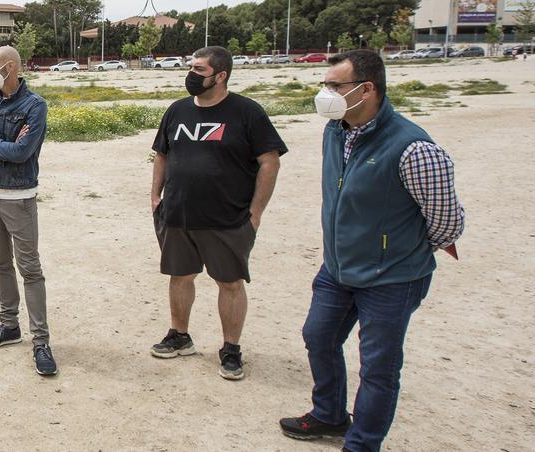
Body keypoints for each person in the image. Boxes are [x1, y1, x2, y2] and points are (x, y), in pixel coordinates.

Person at [279, 50, 464, 451]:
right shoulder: (336, 129)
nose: (326, 92)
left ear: (368, 90)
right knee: (319, 337)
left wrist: (396, 249)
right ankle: (329, 415)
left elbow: (448, 221)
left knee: (379, 367)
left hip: (392, 278)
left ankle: (362, 443)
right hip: (339, 268)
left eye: (335, 86)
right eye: (326, 84)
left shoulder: (414, 148)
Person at [149, 46, 287, 380]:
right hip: (178, 214)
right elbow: (162, 155)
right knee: (180, 277)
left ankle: (230, 349)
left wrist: (255, 213)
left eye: (199, 70)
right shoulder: (177, 111)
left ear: (221, 75)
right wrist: (155, 197)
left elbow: (270, 161)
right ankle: (180, 335)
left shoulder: (246, 112)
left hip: (228, 218)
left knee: (229, 283)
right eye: (190, 67)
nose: (191, 75)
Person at [0, 45, 56, 376]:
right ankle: (9, 326)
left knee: (30, 269)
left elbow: (23, 152)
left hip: (19, 197)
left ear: (10, 68)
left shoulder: (35, 106)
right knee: (0, 264)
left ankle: (41, 341)